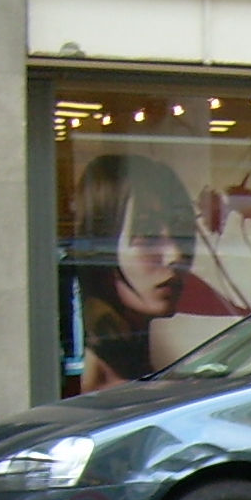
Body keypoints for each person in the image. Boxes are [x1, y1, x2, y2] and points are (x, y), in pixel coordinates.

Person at [70, 154, 231, 392]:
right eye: (147, 235)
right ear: (103, 245)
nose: (175, 255)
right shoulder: (107, 388)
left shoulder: (141, 372)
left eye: (181, 231)